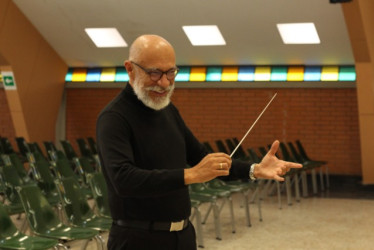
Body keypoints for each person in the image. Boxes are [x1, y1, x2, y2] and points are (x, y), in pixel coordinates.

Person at [96, 34, 302, 250]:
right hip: (137, 239)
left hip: (182, 235)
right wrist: (191, 174)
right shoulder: (114, 117)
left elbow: (202, 159)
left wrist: (254, 169)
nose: (164, 83)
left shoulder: (168, 110)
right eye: (155, 73)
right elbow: (123, 179)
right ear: (130, 69)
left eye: (171, 72)